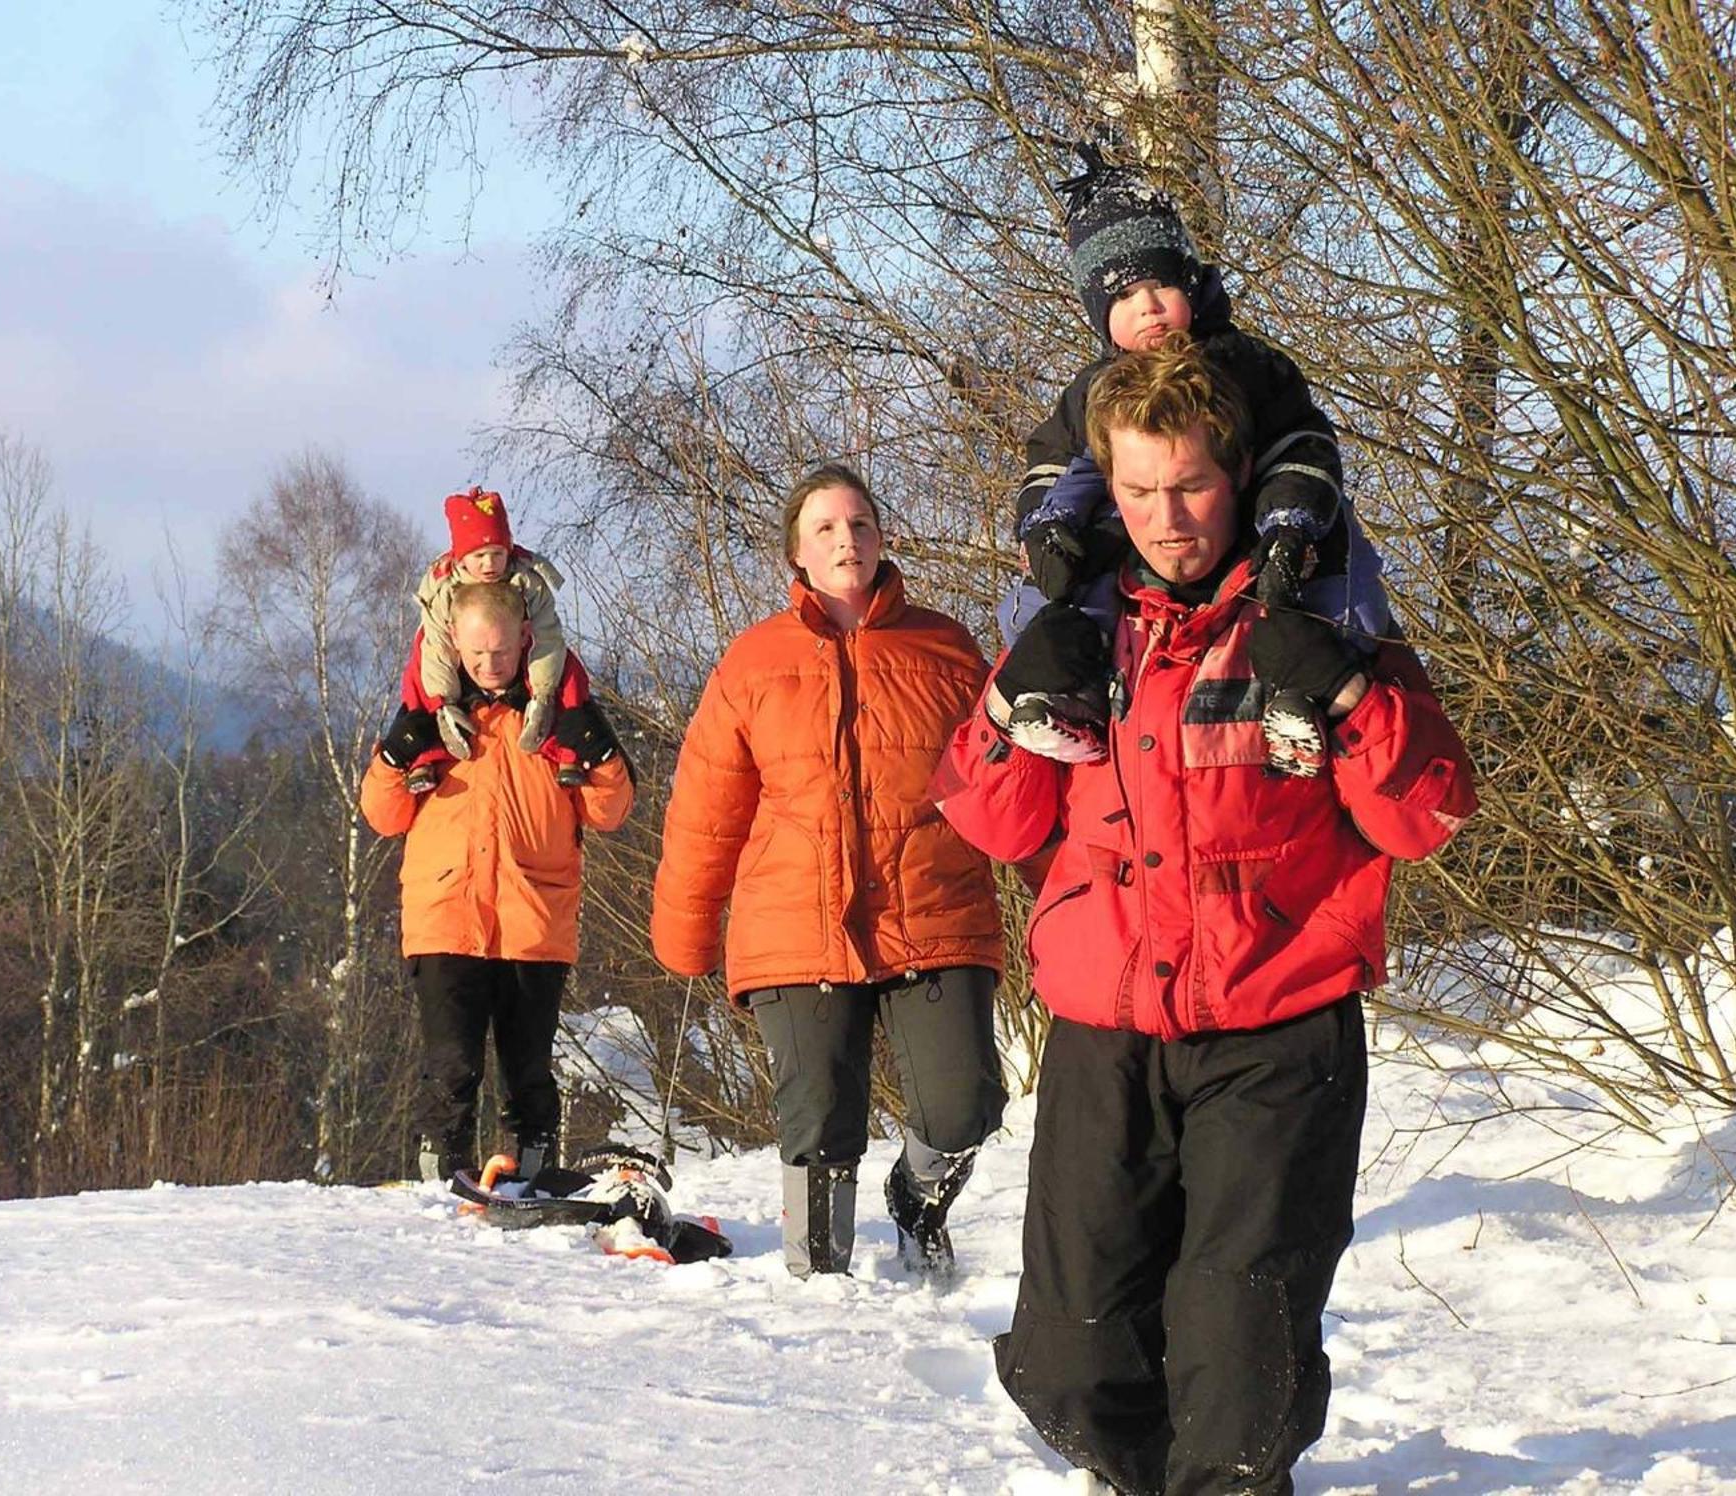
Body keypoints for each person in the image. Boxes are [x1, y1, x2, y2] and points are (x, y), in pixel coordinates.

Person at [935, 341, 1477, 1493]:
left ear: (1233, 474)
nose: (1164, 517)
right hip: (1106, 1032)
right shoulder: (1078, 621)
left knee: (1236, 1358)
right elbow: (990, 818)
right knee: (1068, 1357)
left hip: (1278, 1028)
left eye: (1187, 486)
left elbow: (1424, 813)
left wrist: (1340, 689)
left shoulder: (1325, 610)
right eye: (1135, 491)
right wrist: (1005, 693)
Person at [650, 463, 1008, 1278]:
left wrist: (1068, 887)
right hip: (793, 920)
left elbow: (1005, 783)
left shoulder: (947, 648)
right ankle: (821, 1283)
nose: (846, 539)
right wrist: (686, 931)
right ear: (797, 557)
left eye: (860, 524)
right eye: (825, 528)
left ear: (882, 541)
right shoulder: (752, 663)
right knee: (819, 1119)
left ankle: (918, 1199)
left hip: (934, 909)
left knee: (964, 1106)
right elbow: (708, 807)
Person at [996, 145, 1391, 777]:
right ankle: (1068, 690)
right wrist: (1046, 526)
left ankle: (1310, 693)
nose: (1148, 307)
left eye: (1161, 285)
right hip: (1128, 557)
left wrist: (1290, 520)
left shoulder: (1244, 364)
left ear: (1193, 282)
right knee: (1055, 594)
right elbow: (1052, 464)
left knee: (1330, 574)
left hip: (1260, 528)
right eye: (1123, 296)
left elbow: (1303, 442)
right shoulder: (1092, 390)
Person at [361, 580, 635, 1185]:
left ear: (526, 641)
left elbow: (612, 810)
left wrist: (596, 747)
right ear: (452, 644)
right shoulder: (433, 720)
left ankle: (533, 1177)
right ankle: (442, 1178)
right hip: (445, 916)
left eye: (502, 653)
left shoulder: (552, 719)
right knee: (451, 1064)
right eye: (476, 654)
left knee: (527, 1069)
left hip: (533, 920)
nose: (489, 666)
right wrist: (395, 753)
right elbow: (382, 816)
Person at [397, 487, 592, 793]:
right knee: (416, 675)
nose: (489, 564)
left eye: (497, 554)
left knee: (569, 673)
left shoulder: (526, 579)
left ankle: (569, 750)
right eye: (479, 556)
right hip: (455, 656)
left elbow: (548, 633)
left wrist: (542, 690)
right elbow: (435, 642)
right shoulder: (444, 587)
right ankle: (421, 756)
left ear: (509, 549)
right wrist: (443, 699)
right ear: (462, 557)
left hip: (522, 653)